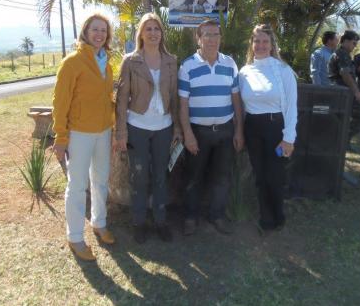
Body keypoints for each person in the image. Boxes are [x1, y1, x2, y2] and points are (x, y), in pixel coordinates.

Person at [52, 14, 115, 261]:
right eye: (95, 29)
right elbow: (60, 101)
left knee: (100, 181)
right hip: (78, 132)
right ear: (85, 32)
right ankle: (75, 236)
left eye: (103, 30)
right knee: (77, 186)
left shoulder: (106, 62)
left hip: (103, 131)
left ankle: (99, 223)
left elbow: (106, 97)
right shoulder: (72, 63)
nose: (99, 34)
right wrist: (60, 136)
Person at [114, 13, 182, 244]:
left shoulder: (171, 61)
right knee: (139, 176)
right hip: (138, 127)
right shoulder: (131, 61)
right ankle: (139, 223)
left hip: (164, 127)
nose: (153, 33)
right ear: (141, 34)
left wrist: (177, 129)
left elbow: (174, 97)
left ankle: (161, 222)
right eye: (148, 29)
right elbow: (122, 99)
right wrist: (121, 132)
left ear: (162, 33)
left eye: (157, 29)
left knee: (161, 176)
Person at [178, 19, 244, 236]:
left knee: (222, 177)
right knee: (194, 177)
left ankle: (216, 215)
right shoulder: (187, 66)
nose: (212, 39)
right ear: (199, 38)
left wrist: (238, 130)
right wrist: (188, 134)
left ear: (220, 38)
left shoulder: (230, 64)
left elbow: (236, 99)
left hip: (225, 131)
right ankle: (190, 217)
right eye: (207, 35)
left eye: (216, 35)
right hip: (198, 132)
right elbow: (183, 104)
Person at [239, 24, 297, 233]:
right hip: (252, 128)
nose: (261, 45)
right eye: (257, 41)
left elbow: (291, 106)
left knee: (275, 175)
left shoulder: (283, 70)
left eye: (265, 41)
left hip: (276, 129)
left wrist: (289, 138)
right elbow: (242, 106)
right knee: (260, 175)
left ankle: (278, 214)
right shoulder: (244, 72)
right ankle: (265, 216)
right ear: (252, 44)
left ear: (272, 45)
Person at [328, 30, 360, 143]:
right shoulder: (342, 54)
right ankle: (343, 140)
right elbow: (345, 74)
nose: (355, 46)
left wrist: (357, 69)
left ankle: (341, 142)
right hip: (343, 92)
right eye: (353, 43)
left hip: (342, 91)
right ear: (345, 41)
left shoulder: (343, 54)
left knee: (343, 118)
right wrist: (356, 91)